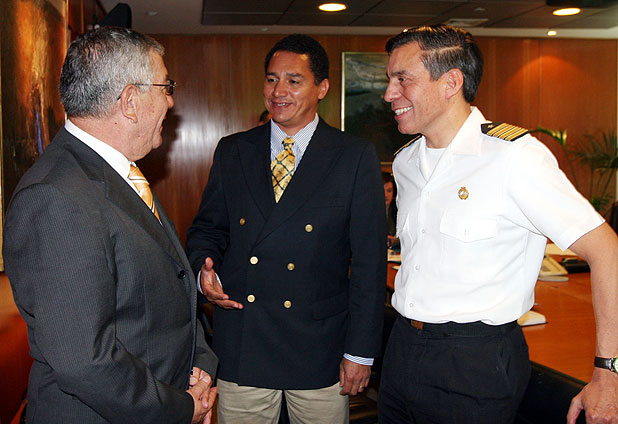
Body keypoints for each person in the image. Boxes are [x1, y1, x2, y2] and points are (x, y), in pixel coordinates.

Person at [378, 24, 618, 424]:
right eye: (390, 79)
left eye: (403, 79)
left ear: (451, 82)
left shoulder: (513, 157)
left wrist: (608, 371)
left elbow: (607, 250)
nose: (389, 93)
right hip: (404, 347)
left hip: (475, 360)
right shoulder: (406, 162)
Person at [2, 27, 218, 424]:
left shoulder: (117, 172)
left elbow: (166, 289)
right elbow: (86, 361)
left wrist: (198, 365)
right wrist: (181, 408)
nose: (170, 101)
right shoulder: (56, 197)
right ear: (131, 101)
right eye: (166, 87)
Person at [186, 34, 386, 423]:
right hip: (245, 341)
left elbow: (369, 264)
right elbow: (207, 228)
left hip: (319, 347)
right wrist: (203, 270)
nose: (279, 91)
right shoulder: (234, 150)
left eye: (294, 81)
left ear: (322, 87)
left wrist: (360, 353)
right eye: (272, 79)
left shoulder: (353, 156)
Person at [382, 172, 398, 247]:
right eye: (382, 191)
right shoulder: (369, 210)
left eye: (389, 190)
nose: (386, 195)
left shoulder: (398, 207)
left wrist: (397, 239)